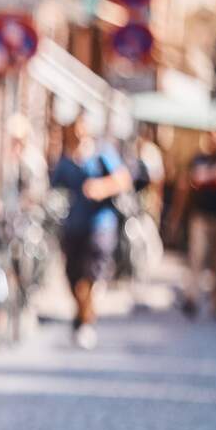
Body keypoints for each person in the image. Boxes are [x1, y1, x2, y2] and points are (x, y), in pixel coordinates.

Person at [50, 114, 131, 350]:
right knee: (73, 276)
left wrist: (101, 188)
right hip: (73, 225)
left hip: (100, 225)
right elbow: (54, 188)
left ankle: (86, 322)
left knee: (89, 275)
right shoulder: (66, 160)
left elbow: (123, 179)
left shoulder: (102, 153)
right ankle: (83, 316)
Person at [168, 130, 216, 320]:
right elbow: (184, 189)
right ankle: (192, 297)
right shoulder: (198, 161)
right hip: (201, 217)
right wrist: (176, 217)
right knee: (196, 257)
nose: (215, 142)